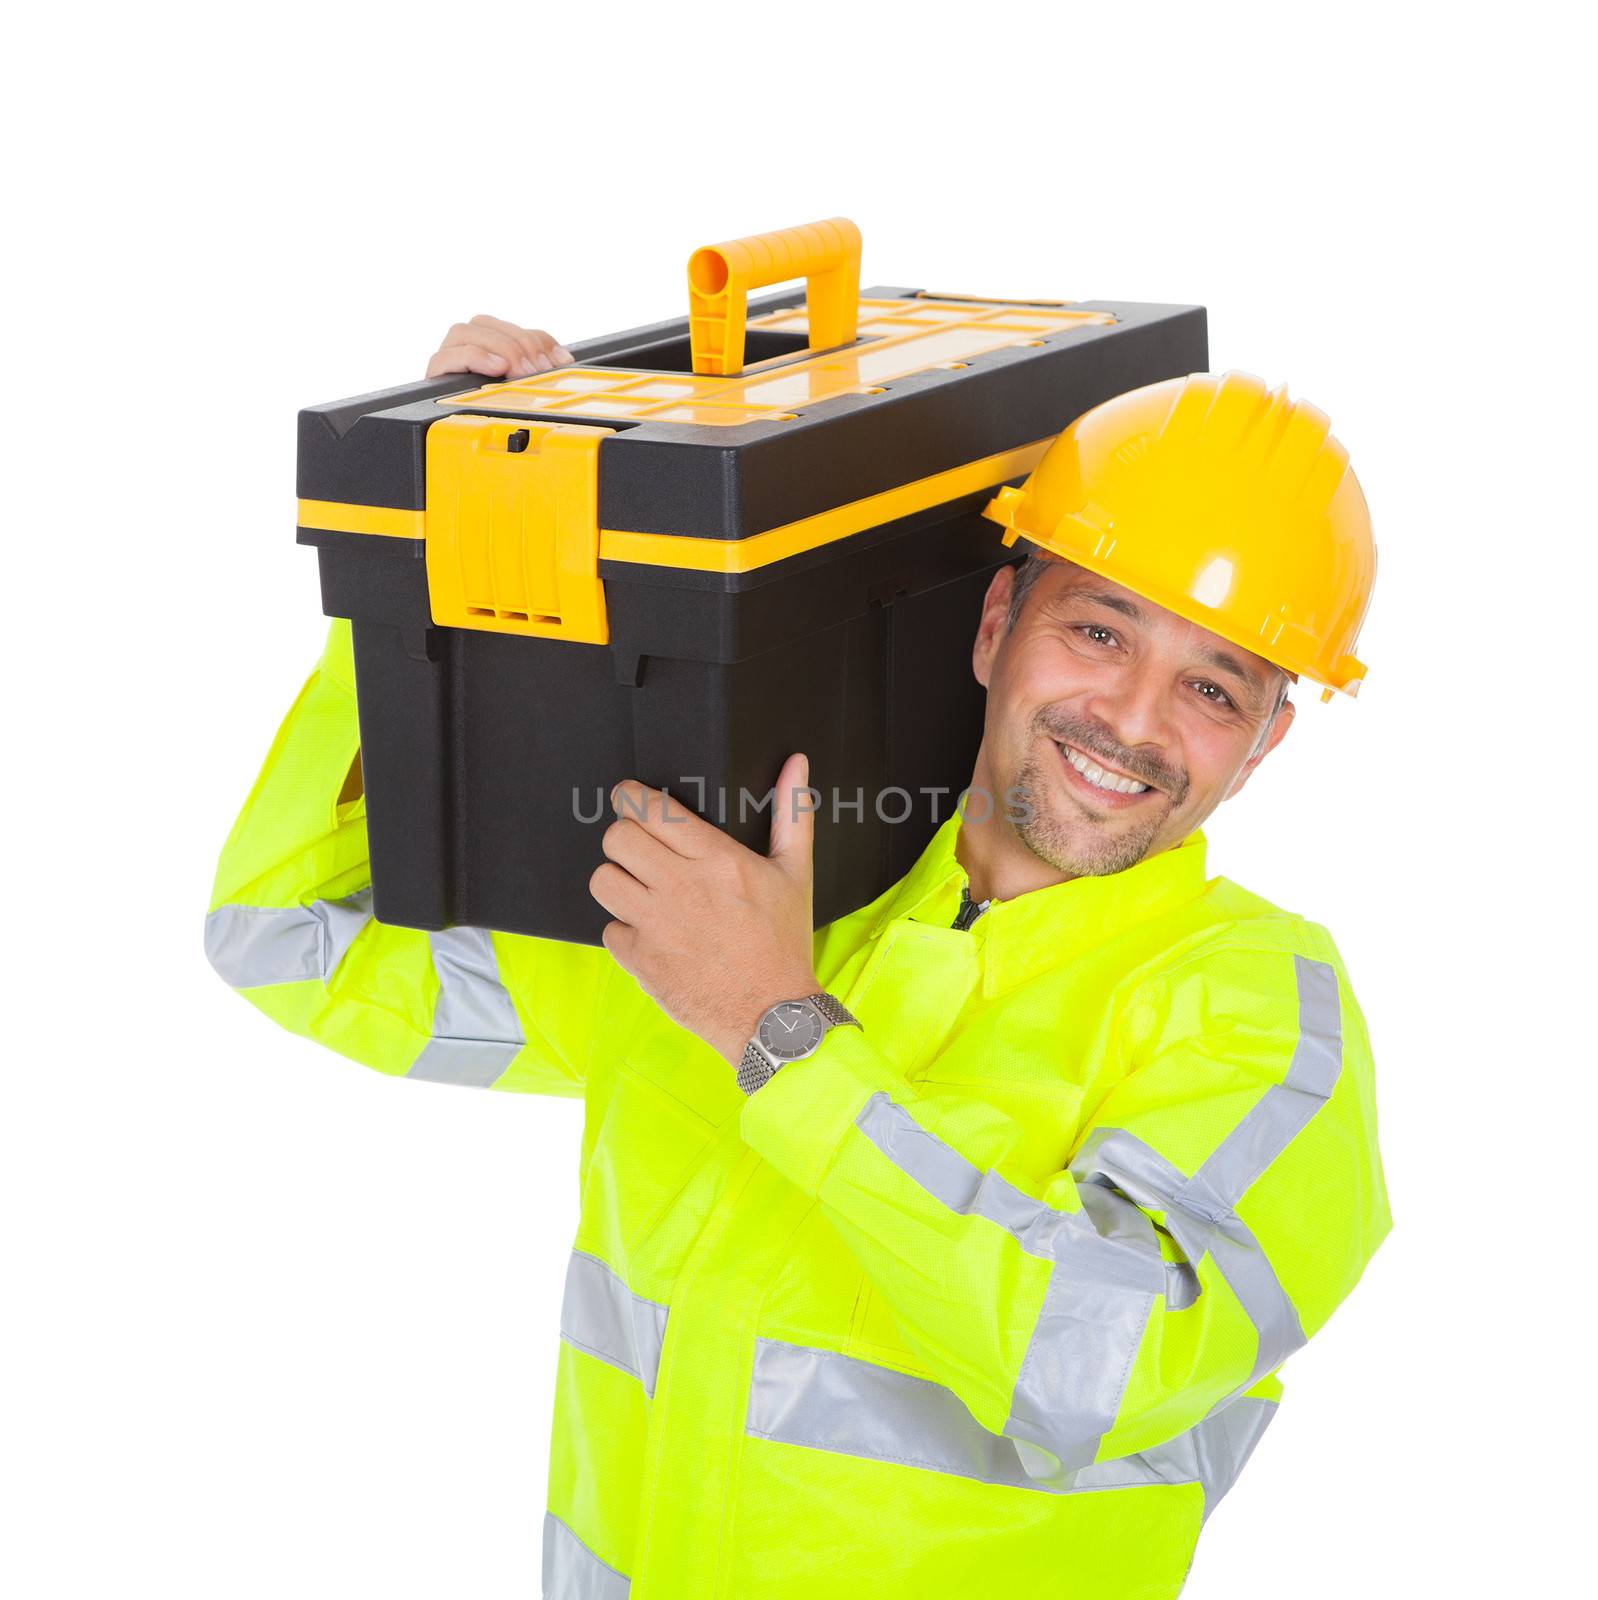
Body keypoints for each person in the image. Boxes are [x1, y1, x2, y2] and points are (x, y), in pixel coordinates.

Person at [205, 314, 1390, 1599]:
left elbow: (1099, 1366)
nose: (1131, 721)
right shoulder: (759, 897)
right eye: (1097, 632)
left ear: (1262, 744)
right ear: (996, 624)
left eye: (1213, 688)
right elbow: (284, 936)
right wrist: (428, 557)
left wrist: (780, 1031)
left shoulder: (1258, 1010)